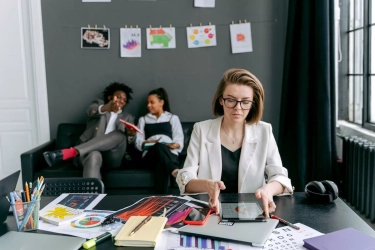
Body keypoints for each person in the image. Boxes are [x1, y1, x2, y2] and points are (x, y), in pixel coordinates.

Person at [176, 68, 293, 217]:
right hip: (211, 212)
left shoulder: (264, 131)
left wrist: (268, 190)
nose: (237, 108)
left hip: (251, 212)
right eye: (230, 100)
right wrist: (207, 185)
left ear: (253, 103)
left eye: (245, 102)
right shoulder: (201, 129)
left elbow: (281, 177)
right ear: (221, 100)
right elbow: (185, 177)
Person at [43, 82, 136, 179]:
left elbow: (130, 142)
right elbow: (91, 111)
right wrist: (106, 108)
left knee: (119, 134)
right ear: (110, 97)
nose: (121, 101)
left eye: (124, 100)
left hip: (112, 157)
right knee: (93, 155)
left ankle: (70, 152)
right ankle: (91, 194)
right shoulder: (99, 105)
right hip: (88, 154)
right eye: (118, 97)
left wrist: (131, 134)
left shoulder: (128, 117)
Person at [135, 88, 184, 194]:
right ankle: (174, 170)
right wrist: (146, 143)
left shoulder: (172, 118)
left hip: (168, 153)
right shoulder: (143, 120)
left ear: (161, 102)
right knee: (157, 146)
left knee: (160, 162)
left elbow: (179, 139)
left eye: (152, 102)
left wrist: (175, 145)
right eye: (148, 103)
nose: (148, 105)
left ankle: (161, 201)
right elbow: (138, 143)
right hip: (150, 156)